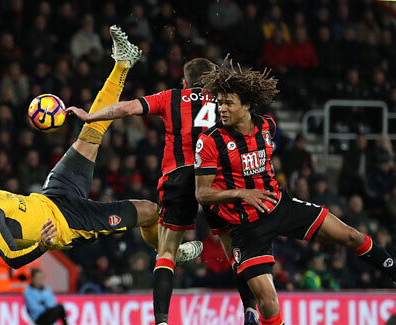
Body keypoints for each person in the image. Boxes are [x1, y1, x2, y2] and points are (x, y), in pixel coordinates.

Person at [0, 26, 200, 272]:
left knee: (91, 132)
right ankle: (170, 252)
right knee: (149, 210)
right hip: (71, 222)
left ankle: (123, 63)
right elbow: (11, 256)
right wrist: (42, 245)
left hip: (53, 195)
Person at [194, 60, 396, 325]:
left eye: (229, 103)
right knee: (268, 301)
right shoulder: (210, 140)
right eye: (220, 103)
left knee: (351, 235)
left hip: (281, 206)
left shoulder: (267, 126)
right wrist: (242, 193)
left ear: (248, 105)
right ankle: (252, 310)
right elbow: (202, 194)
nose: (222, 108)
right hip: (247, 225)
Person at [68, 57, 258, 325]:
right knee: (232, 249)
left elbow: (128, 107)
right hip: (215, 177)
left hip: (178, 175)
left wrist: (91, 115)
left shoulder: (171, 97)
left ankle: (162, 321)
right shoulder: (224, 102)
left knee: (167, 253)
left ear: (185, 82)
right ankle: (250, 309)